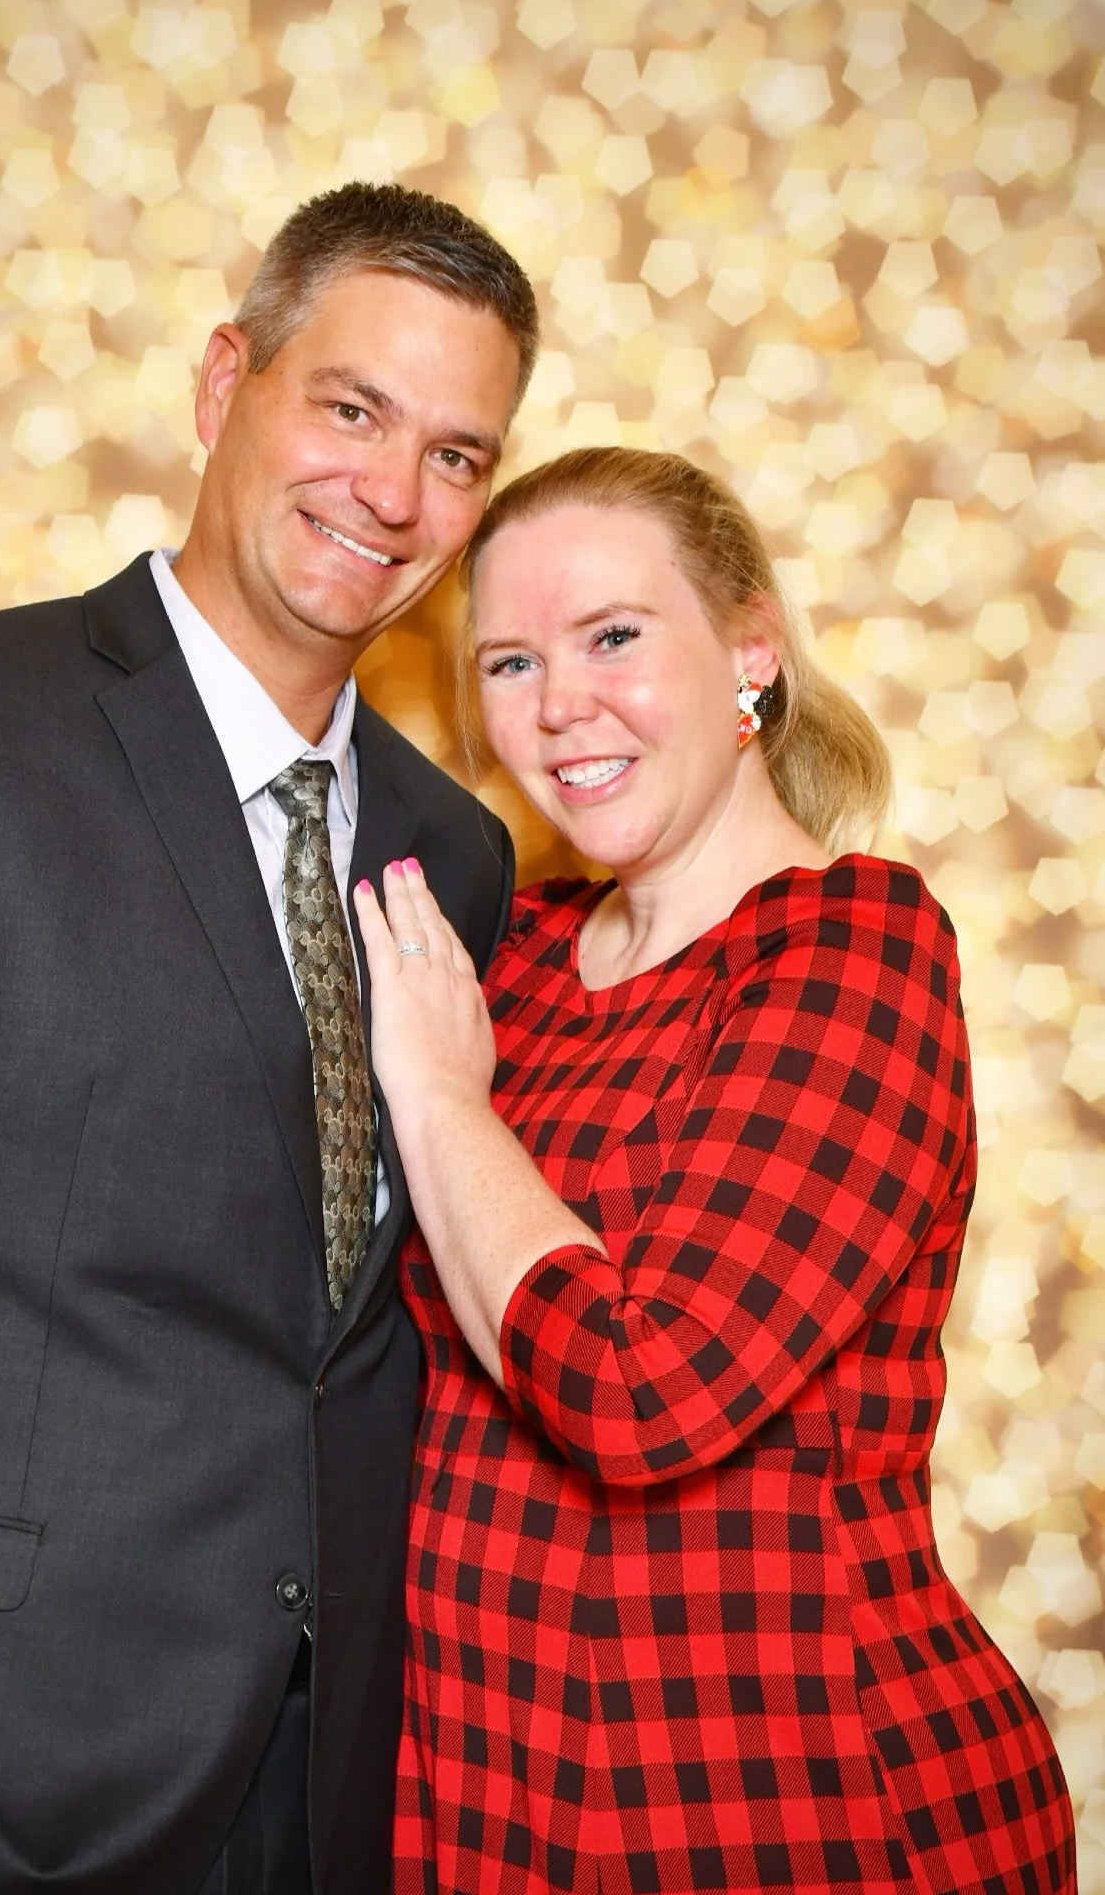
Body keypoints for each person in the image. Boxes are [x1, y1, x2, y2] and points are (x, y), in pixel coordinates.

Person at [0, 184, 537, 1895]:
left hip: (311, 1795)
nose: (393, 490)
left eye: (457, 452)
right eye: (350, 408)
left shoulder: (459, 851)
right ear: (227, 385)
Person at [353, 447, 1077, 1895]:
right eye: (509, 661)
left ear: (751, 653)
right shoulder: (518, 962)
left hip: (775, 1799)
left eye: (613, 635)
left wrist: (440, 1103)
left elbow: (642, 1390)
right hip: (499, 1792)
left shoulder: (853, 948)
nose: (561, 705)